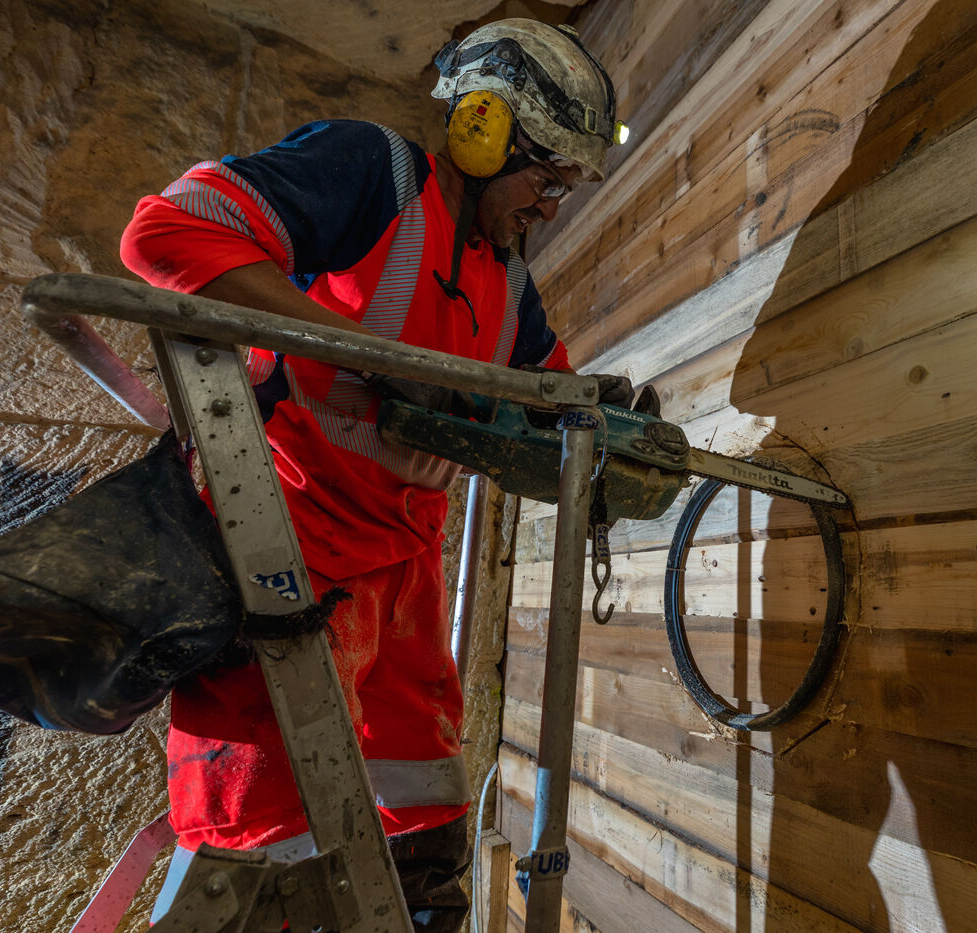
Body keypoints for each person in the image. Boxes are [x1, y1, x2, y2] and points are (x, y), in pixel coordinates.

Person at [119, 19, 627, 930]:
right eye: (547, 179)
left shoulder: (510, 286)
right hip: (291, 553)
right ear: (481, 129)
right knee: (262, 840)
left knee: (425, 810)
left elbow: (546, 395)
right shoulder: (376, 175)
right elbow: (169, 232)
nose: (551, 209)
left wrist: (600, 417)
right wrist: (370, 355)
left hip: (406, 574)